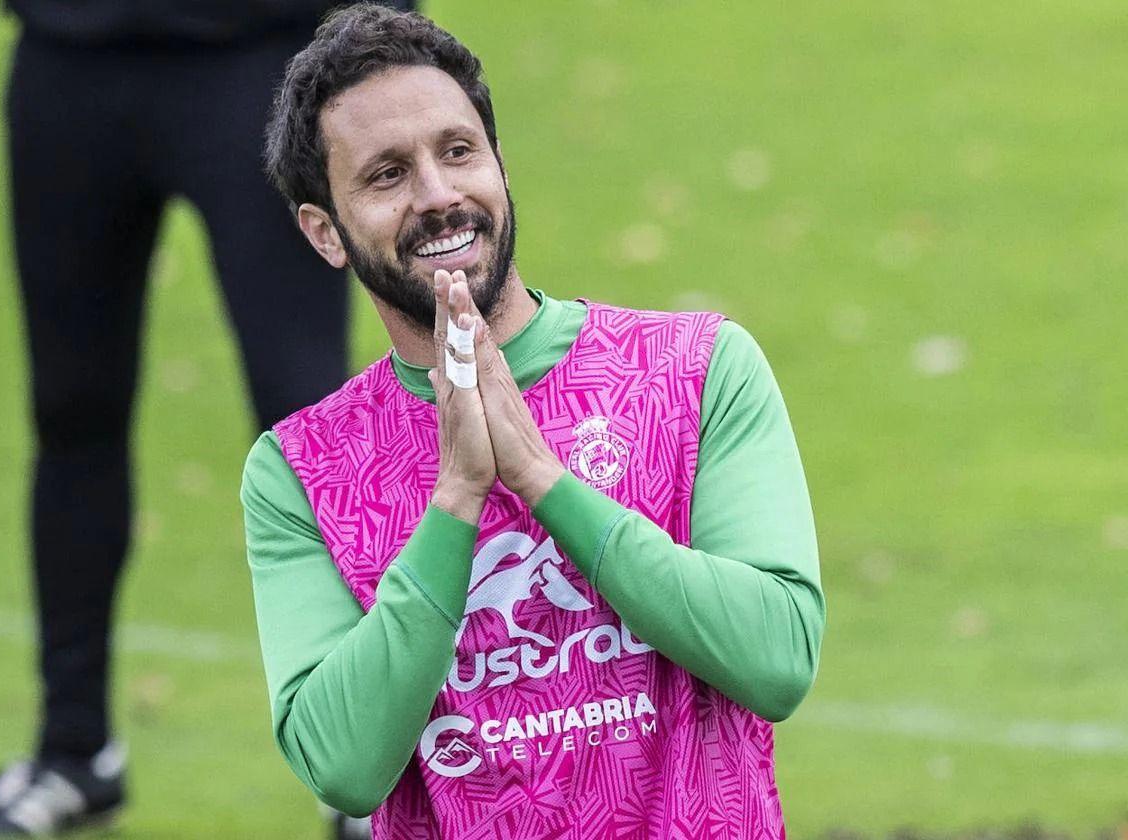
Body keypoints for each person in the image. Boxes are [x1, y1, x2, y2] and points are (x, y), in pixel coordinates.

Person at [243, 5, 826, 838]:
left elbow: (777, 660)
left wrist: (542, 479)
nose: (439, 196)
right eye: (387, 175)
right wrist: (456, 497)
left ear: (499, 163)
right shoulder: (299, 470)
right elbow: (341, 765)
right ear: (324, 233)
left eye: (457, 151)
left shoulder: (698, 371)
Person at [0, 1, 409, 837]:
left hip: (263, 61)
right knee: (71, 410)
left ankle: (366, 774)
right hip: (68, 59)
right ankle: (73, 750)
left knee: (308, 422)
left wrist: (384, 56)